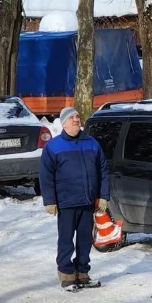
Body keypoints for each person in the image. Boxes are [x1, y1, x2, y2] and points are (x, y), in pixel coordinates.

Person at [39, 106, 110, 291]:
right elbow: (46, 176)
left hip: (87, 201)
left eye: (78, 117)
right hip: (66, 202)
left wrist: (103, 196)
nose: (77, 120)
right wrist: (50, 200)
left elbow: (103, 170)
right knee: (66, 240)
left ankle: (83, 273)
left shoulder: (92, 143)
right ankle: (66, 275)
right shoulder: (53, 147)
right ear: (64, 123)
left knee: (85, 240)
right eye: (72, 118)